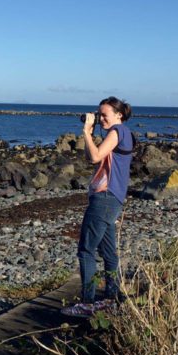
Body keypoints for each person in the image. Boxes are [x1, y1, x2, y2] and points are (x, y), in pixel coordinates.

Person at [61, 96, 134, 316]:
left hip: (105, 198)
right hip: (111, 197)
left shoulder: (118, 132)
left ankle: (88, 303)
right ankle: (112, 299)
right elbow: (92, 155)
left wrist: (85, 132)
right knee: (108, 251)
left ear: (118, 115)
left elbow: (94, 158)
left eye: (105, 114)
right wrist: (91, 134)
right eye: (99, 114)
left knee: (86, 249)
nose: (101, 118)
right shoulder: (123, 134)